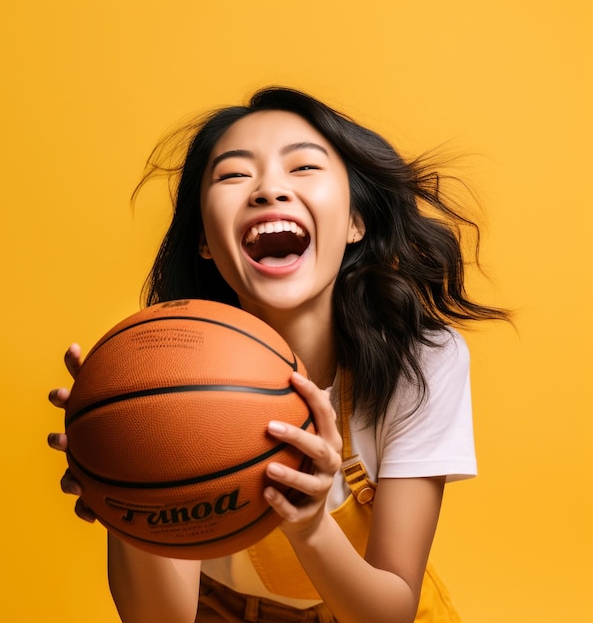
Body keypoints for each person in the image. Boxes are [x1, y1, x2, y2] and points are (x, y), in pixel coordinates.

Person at [48, 87, 508, 623]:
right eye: (234, 175)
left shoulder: (419, 358)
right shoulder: (161, 377)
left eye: (304, 167)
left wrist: (311, 525)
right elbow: (159, 618)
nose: (269, 188)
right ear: (203, 238)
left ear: (356, 223)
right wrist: (124, 471)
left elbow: (390, 612)